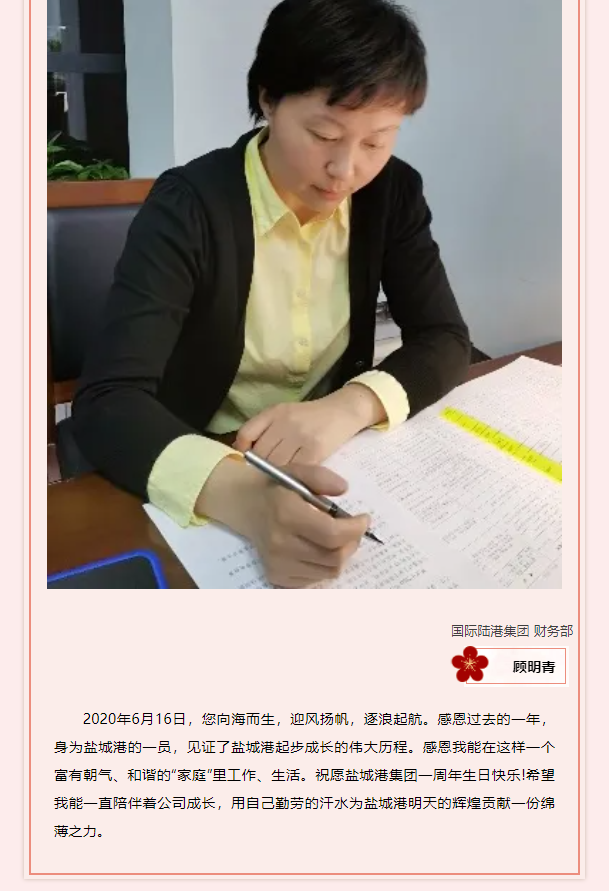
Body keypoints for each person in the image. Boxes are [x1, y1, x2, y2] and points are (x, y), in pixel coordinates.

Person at [73, 0, 470, 588]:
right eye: (323, 134)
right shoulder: (190, 206)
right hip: (206, 454)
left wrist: (347, 407)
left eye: (377, 141)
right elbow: (108, 401)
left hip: (332, 454)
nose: (346, 170)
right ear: (268, 100)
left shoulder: (392, 193)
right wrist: (246, 498)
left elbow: (444, 337)